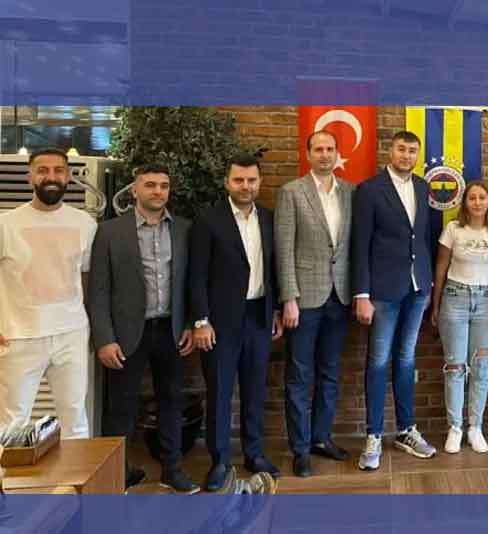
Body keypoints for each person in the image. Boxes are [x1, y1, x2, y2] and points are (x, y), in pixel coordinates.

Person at [87, 163, 199, 492]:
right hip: (125, 333)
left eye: (163, 185)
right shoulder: (110, 232)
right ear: (134, 190)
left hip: (172, 330)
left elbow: (193, 284)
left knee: (172, 401)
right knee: (121, 406)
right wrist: (104, 339)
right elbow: (98, 290)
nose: (157, 191)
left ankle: (172, 470)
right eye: (150, 185)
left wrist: (190, 323)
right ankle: (117, 474)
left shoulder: (184, 229)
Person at [190, 153, 283, 491]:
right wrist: (200, 320)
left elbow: (273, 269)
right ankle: (220, 461)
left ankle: (254, 454)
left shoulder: (269, 219)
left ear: (259, 182)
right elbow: (196, 274)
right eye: (239, 180)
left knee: (255, 390)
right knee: (220, 391)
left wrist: (275, 310)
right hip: (220, 321)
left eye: (251, 180)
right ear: (227, 182)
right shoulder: (208, 220)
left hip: (259, 315)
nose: (246, 186)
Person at [352, 131, 437, 471]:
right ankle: (373, 435)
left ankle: (406, 430)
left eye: (412, 150)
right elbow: (360, 244)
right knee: (378, 362)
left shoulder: (422, 187)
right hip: (382, 292)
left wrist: (428, 283)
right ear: (391, 151)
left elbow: (424, 238)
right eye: (401, 149)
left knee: (406, 359)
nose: (406, 155)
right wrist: (361, 293)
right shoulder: (370, 190)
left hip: (417, 289)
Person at [0, 147, 97, 439]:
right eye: (42, 171)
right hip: (19, 336)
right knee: (12, 422)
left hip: (71, 334)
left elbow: (87, 277)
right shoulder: (6, 224)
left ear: (68, 177)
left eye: (58, 170)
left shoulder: (85, 224)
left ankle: (75, 472)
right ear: (30, 177)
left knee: (75, 418)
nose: (51, 177)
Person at [275, 131, 354, 477]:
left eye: (330, 149)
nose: (324, 155)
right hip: (304, 299)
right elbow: (283, 249)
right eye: (318, 149)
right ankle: (300, 448)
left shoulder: (350, 192)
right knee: (299, 375)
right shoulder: (291, 192)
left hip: (340, 296)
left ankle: (322, 437)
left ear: (337, 154)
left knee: (330, 372)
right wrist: (289, 298)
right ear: (308, 154)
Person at [430, 182, 488, 454]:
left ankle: (475, 427)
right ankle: (455, 428)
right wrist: (436, 305)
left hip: (486, 301)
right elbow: (441, 267)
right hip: (455, 297)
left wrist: (487, 290)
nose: (477, 202)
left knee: (481, 366)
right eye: (472, 198)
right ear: (465, 202)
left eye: (482, 197)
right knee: (455, 366)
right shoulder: (453, 229)